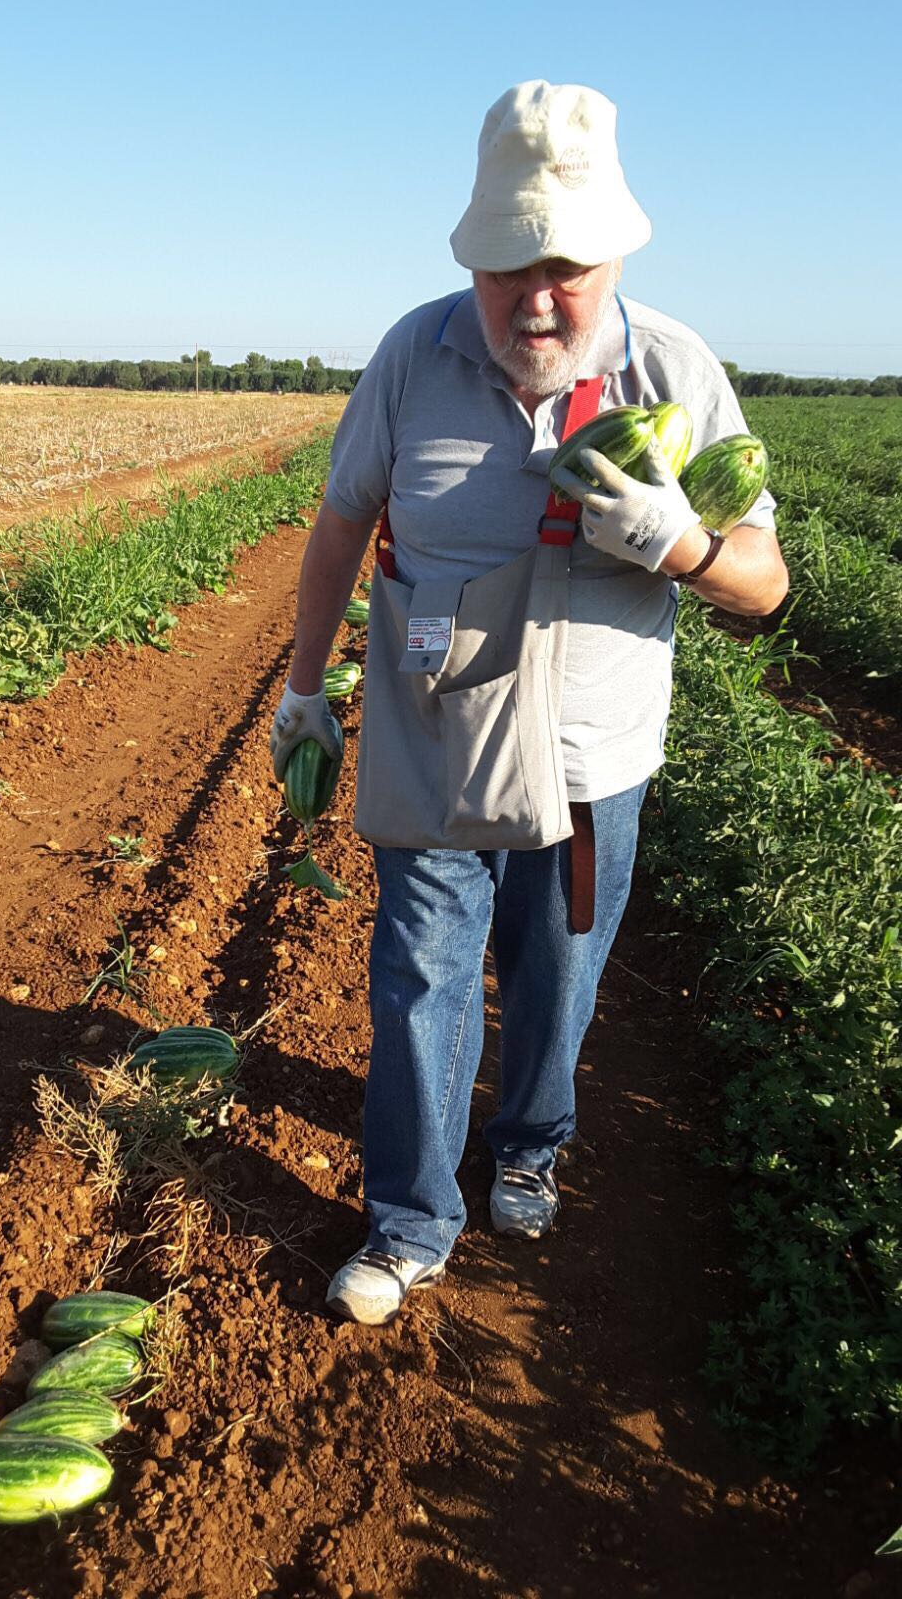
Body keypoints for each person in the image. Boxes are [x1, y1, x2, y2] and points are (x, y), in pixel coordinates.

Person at [269, 81, 788, 1327]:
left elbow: (764, 588)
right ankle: (410, 1221)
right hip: (439, 743)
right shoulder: (415, 355)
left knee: (555, 981)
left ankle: (532, 1146)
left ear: (612, 256)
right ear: (473, 256)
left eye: (566, 266)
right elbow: (344, 519)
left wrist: (682, 545)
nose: (537, 299)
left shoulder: (674, 369)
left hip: (592, 761)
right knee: (420, 977)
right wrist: (300, 688)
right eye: (511, 268)